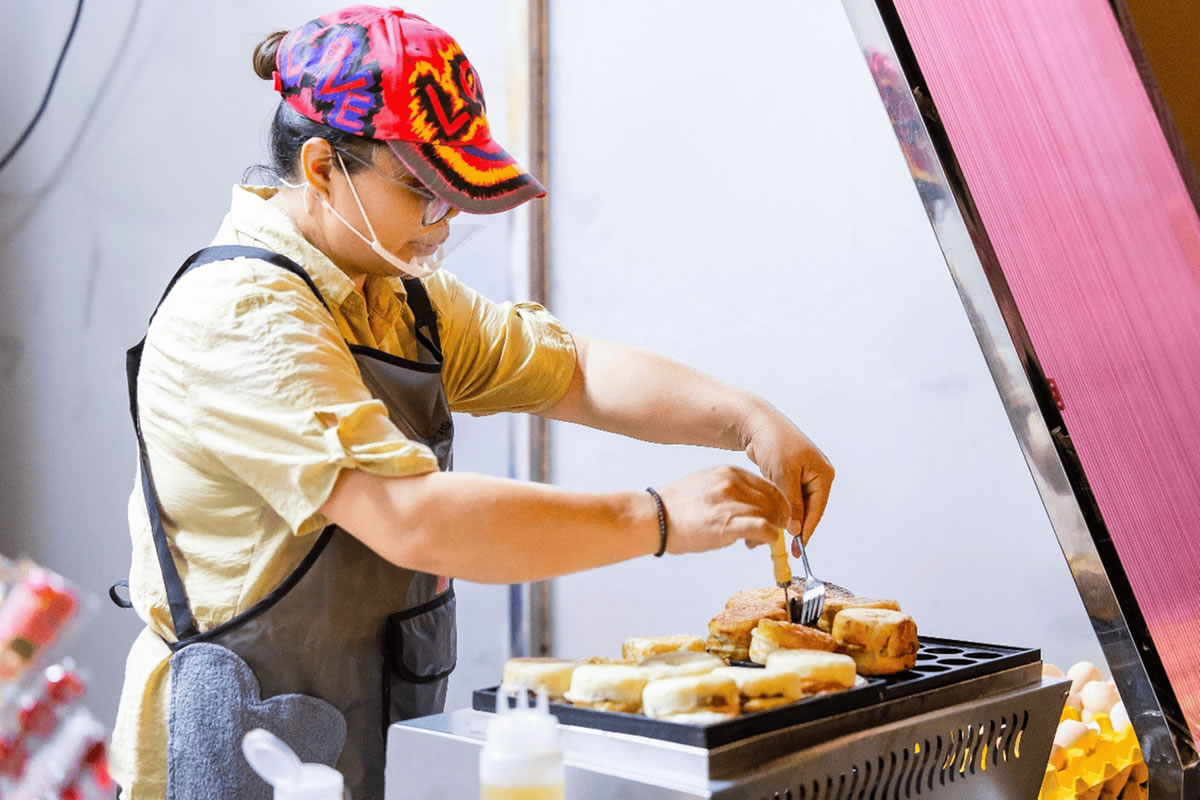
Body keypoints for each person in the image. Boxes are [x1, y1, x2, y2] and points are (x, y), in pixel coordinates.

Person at [110, 6, 834, 799]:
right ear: (322, 168)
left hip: (363, 735)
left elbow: (574, 373)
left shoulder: (391, 292)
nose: (445, 219)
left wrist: (750, 420)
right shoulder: (244, 315)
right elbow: (411, 518)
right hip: (240, 758)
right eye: (422, 189)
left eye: (454, 191)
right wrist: (655, 518)